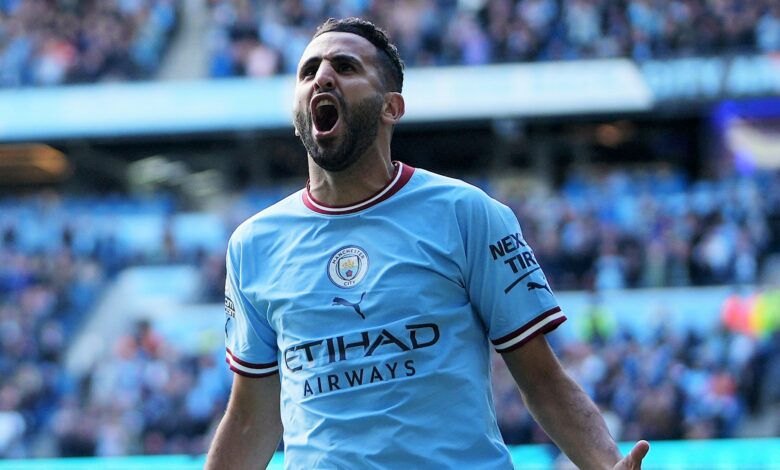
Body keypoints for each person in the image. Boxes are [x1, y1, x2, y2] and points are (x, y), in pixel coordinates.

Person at [206, 17, 650, 469]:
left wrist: (604, 462)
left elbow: (542, 379)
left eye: (345, 66)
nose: (322, 77)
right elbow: (250, 417)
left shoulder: (467, 214)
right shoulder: (252, 246)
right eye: (308, 71)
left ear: (391, 107)